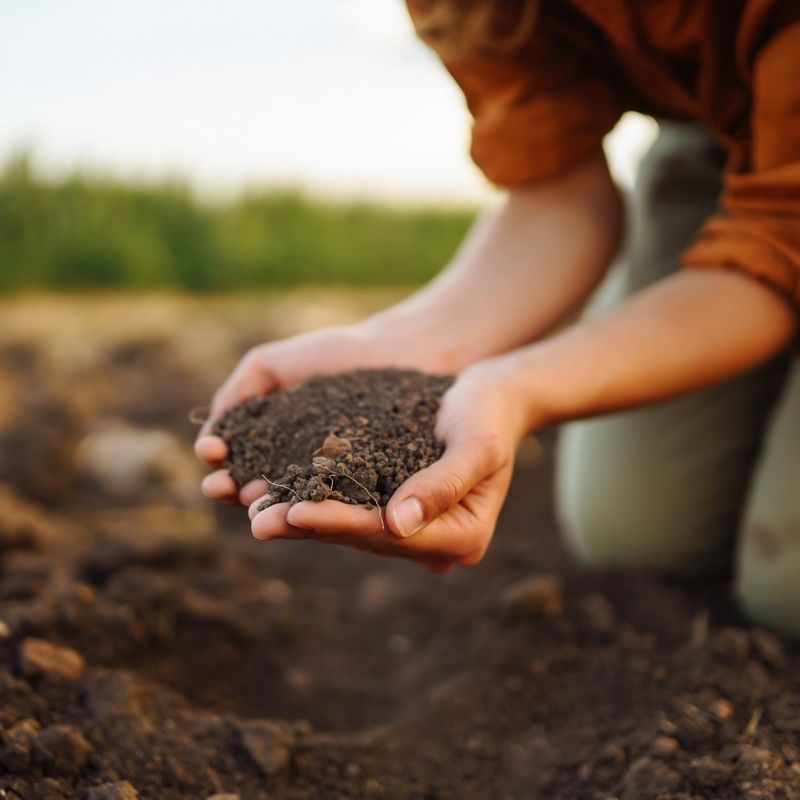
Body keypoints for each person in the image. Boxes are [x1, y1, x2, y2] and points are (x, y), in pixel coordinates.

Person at [196, 1, 800, 635]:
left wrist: (522, 389)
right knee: (638, 532)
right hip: (722, 128)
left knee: (786, 590)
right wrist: (404, 347)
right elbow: (557, 194)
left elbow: (784, 236)